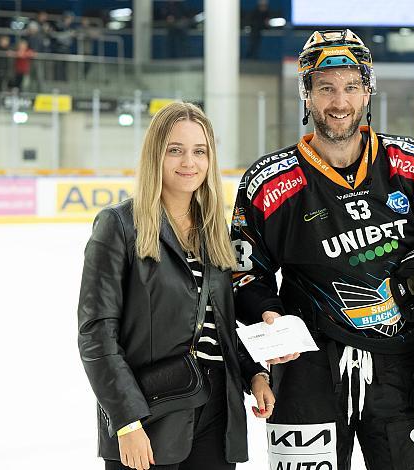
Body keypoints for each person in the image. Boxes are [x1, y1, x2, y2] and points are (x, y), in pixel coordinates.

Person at [231, 29, 414, 470]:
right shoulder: (267, 184)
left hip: (405, 363)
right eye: (325, 88)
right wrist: (268, 313)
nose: (338, 102)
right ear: (306, 94)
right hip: (307, 367)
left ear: (367, 91)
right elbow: (244, 274)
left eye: (350, 86)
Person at [78, 102, 274, 470]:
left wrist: (255, 374)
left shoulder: (214, 232)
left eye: (200, 151)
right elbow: (96, 334)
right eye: (176, 150)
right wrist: (126, 421)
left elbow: (220, 326)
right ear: (156, 155)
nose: (189, 162)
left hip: (218, 415)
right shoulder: (119, 226)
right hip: (151, 413)